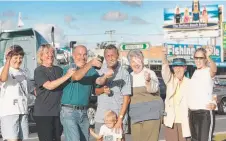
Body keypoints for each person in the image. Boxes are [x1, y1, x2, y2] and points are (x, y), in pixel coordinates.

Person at [60, 45, 113, 141]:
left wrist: (106, 76)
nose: (82, 57)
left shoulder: (91, 71)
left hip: (84, 112)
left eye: (85, 54)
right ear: (73, 55)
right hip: (69, 111)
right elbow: (76, 76)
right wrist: (91, 63)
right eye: (79, 54)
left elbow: (99, 81)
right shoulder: (68, 68)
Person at [33, 44, 75, 141]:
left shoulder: (59, 70)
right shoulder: (39, 71)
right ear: (41, 56)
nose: (50, 55)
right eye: (47, 53)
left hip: (58, 112)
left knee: (57, 138)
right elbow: (49, 86)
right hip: (43, 114)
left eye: (52, 52)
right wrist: (67, 76)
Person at [94, 44, 131, 141]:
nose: (110, 58)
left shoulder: (124, 73)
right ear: (105, 57)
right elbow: (95, 91)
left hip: (117, 119)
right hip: (101, 118)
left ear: (117, 56)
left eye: (112, 55)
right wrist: (102, 90)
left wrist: (120, 119)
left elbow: (126, 99)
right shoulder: (99, 71)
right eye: (108, 56)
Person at [127, 49, 163, 141]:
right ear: (129, 63)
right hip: (135, 116)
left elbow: (154, 89)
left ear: (142, 60)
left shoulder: (150, 73)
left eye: (138, 60)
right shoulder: (129, 76)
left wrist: (148, 81)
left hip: (151, 115)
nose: (136, 64)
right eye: (133, 61)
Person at [0, 45, 30, 141]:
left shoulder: (24, 72)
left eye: (20, 57)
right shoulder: (3, 70)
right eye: (15, 57)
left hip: (23, 111)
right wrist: (8, 61)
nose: (18, 60)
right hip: (9, 113)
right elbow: (3, 78)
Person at [161, 47, 191, 141]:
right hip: (171, 121)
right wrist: (164, 56)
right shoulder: (170, 80)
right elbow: (165, 68)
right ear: (172, 68)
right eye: (175, 66)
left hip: (185, 121)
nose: (178, 69)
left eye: (180, 66)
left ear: (185, 68)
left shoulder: (190, 82)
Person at [188, 47, 217, 141]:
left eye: (201, 58)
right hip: (192, 112)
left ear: (205, 59)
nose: (198, 60)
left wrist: (209, 57)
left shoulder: (208, 71)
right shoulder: (195, 72)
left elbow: (214, 70)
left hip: (204, 113)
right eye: (196, 58)